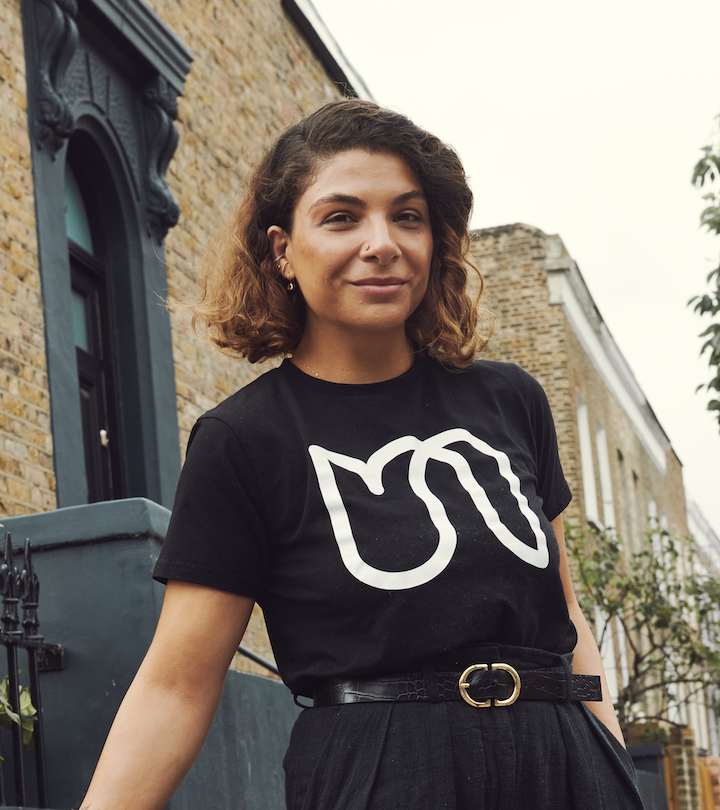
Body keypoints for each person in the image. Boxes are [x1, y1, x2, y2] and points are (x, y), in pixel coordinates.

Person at [81, 99, 643, 809]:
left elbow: (566, 612)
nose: (382, 242)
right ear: (283, 249)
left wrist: (612, 765)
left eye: (407, 216)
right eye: (342, 217)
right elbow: (177, 683)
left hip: (563, 762)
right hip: (383, 774)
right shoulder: (245, 439)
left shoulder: (510, 400)